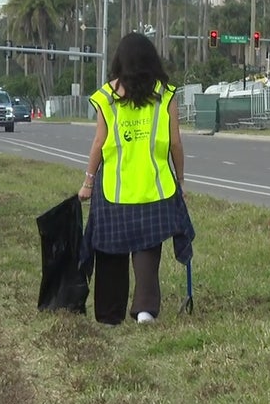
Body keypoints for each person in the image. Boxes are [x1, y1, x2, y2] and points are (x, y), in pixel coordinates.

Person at [78, 32, 195, 326]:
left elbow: (98, 144)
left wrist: (88, 182)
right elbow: (176, 143)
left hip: (114, 189)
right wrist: (180, 180)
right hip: (154, 188)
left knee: (109, 249)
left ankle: (109, 314)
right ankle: (145, 310)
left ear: (119, 61)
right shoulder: (166, 95)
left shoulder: (106, 97)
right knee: (147, 249)